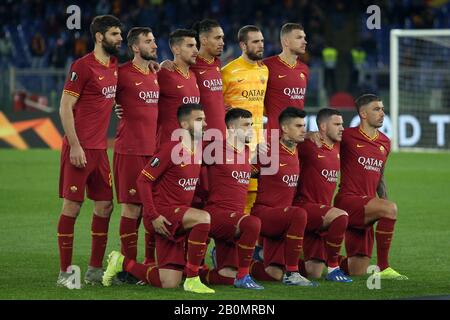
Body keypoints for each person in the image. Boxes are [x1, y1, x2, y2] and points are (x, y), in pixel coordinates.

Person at [103, 103, 215, 294]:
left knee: (168, 282)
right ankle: (193, 278)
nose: (204, 124)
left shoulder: (197, 149)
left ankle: (121, 262)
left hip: (178, 217)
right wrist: (153, 215)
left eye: (204, 119)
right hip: (162, 214)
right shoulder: (170, 149)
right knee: (203, 218)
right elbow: (143, 181)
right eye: (199, 120)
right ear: (184, 124)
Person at [56, 15, 122, 288]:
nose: (120, 39)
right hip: (78, 149)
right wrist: (74, 145)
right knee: (72, 207)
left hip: (100, 151)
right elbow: (65, 107)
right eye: (115, 34)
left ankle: (95, 269)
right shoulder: (82, 67)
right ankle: (65, 272)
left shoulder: (115, 66)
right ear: (99, 37)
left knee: (105, 206)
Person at [334, 94, 407, 279]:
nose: (382, 113)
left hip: (368, 206)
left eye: (382, 109)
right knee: (390, 209)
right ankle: (383, 267)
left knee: (356, 271)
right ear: (363, 114)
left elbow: (379, 176)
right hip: (349, 201)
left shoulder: (384, 142)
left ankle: (317, 260)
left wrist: (383, 201)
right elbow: (323, 143)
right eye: (377, 109)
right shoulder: (347, 136)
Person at [250, 107, 315, 286]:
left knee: (273, 275)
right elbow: (246, 172)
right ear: (285, 129)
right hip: (265, 213)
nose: (303, 129)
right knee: (299, 214)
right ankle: (292, 273)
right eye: (298, 126)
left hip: (281, 220)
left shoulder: (298, 150)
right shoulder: (269, 150)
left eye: (304, 125)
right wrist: (252, 156)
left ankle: (245, 264)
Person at [113, 27, 159, 273]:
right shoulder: (121, 73)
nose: (154, 45)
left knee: (151, 207)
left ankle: (149, 263)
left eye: (154, 41)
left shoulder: (156, 73)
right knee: (132, 207)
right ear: (134, 47)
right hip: (130, 150)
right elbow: (99, 95)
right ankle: (126, 266)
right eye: (148, 42)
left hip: (154, 151)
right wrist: (113, 105)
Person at [200, 108, 263, 289]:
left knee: (228, 277)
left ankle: (199, 273)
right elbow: (189, 162)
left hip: (233, 219)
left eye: (251, 125)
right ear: (232, 128)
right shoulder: (216, 148)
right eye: (245, 125)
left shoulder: (244, 151)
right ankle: (244, 276)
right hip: (217, 214)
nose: (251, 129)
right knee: (252, 223)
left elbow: (249, 172)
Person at [293, 108, 352, 283]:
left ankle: (271, 261)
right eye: (337, 124)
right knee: (340, 216)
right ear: (323, 127)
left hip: (321, 214)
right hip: (305, 206)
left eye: (342, 124)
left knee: (313, 273)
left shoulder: (339, 146)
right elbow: (283, 137)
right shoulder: (309, 145)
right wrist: (306, 134)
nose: (342, 128)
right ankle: (334, 268)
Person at [221, 25, 269, 213]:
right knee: (234, 199)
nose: (261, 45)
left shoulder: (264, 71)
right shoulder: (227, 72)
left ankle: (250, 242)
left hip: (259, 144)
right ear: (243, 45)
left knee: (256, 199)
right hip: (235, 146)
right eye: (255, 41)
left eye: (262, 41)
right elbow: (216, 106)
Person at [156, 29, 200, 146]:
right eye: (190, 46)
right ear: (176, 49)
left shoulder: (193, 76)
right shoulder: (164, 74)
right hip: (168, 147)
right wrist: (121, 106)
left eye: (196, 46)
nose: (196, 50)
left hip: (190, 145)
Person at [263, 23, 309, 132]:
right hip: (275, 136)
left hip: (296, 137)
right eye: (299, 38)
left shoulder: (304, 69)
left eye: (304, 38)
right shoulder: (266, 66)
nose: (305, 41)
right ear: (286, 41)